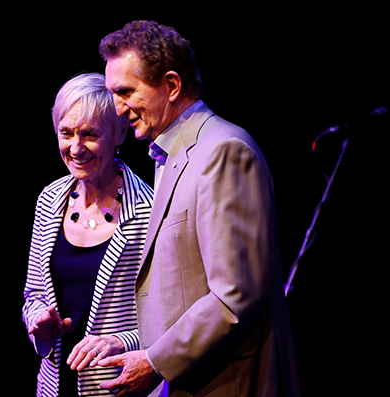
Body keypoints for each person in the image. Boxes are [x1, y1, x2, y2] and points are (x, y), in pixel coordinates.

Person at [97, 21, 301, 396]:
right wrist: (132, 346)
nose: (116, 107)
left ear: (171, 86)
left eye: (125, 92)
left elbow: (234, 295)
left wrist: (155, 362)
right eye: (112, 93)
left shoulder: (222, 151)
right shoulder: (170, 153)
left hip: (227, 384)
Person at [22, 72, 154, 397]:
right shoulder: (50, 200)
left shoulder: (150, 211)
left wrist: (119, 341)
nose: (76, 148)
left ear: (120, 132)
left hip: (117, 387)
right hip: (54, 387)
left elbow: (171, 320)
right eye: (65, 133)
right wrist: (40, 322)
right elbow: (33, 295)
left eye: (91, 135)